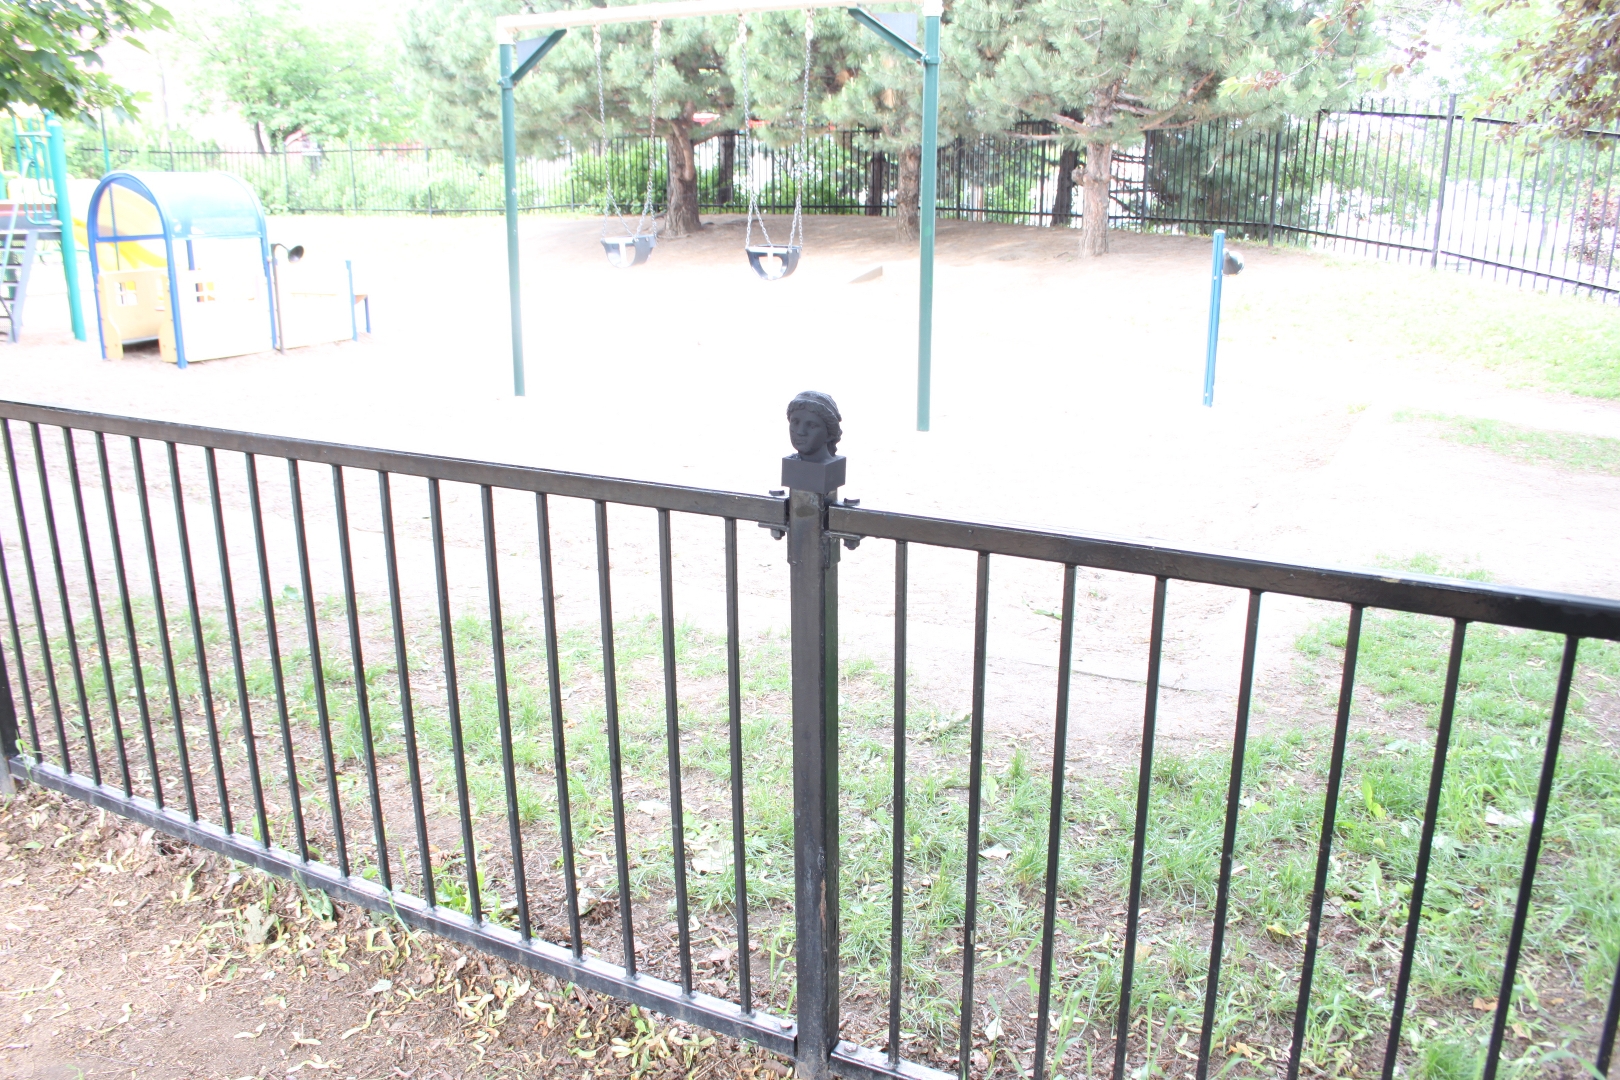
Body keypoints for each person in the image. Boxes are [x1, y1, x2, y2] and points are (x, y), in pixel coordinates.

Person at [786, 391, 842, 463]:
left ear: (829, 434)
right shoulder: (791, 462)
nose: (800, 432)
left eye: (812, 425)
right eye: (795, 422)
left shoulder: (830, 466)